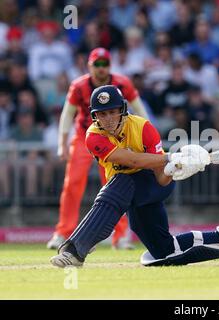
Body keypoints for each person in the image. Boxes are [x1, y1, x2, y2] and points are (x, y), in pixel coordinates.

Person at [49, 85, 219, 268]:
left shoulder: (143, 128)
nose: (109, 119)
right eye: (102, 114)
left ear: (122, 110)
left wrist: (175, 169)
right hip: (131, 192)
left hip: (151, 184)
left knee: (120, 184)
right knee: (165, 249)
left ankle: (76, 251)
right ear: (95, 117)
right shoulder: (93, 136)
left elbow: (161, 180)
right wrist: (171, 157)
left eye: (113, 112)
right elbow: (132, 161)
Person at [46, 48, 150, 250]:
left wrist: (145, 134)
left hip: (113, 140)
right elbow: (67, 115)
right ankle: (62, 233)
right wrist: (62, 143)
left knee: (115, 186)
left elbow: (140, 110)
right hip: (85, 138)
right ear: (89, 66)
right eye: (97, 64)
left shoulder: (123, 83)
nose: (101, 69)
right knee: (72, 184)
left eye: (105, 64)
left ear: (110, 65)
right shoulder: (78, 86)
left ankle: (120, 237)